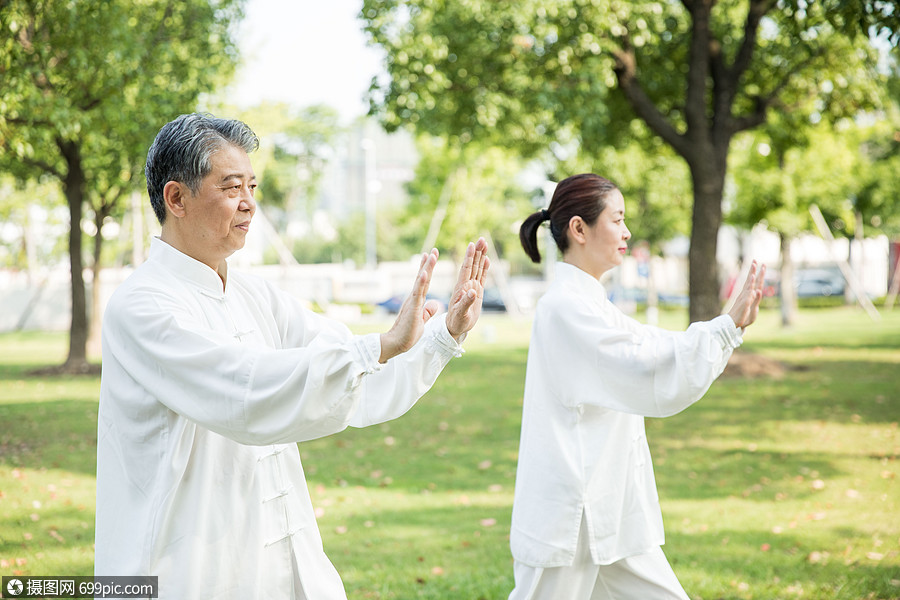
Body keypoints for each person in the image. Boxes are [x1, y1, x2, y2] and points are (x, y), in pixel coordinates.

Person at [94, 113, 490, 599]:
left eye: (252, 186)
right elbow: (246, 391)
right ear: (177, 198)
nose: (249, 203)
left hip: (279, 555)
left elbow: (357, 376)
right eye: (231, 187)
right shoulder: (142, 305)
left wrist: (443, 336)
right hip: (185, 567)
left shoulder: (254, 294)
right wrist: (382, 344)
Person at [508, 173, 765, 599]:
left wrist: (727, 329)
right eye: (617, 219)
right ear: (579, 229)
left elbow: (651, 344)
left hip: (609, 510)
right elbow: (640, 364)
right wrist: (724, 328)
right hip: (572, 515)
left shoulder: (589, 303)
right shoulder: (565, 308)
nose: (627, 232)